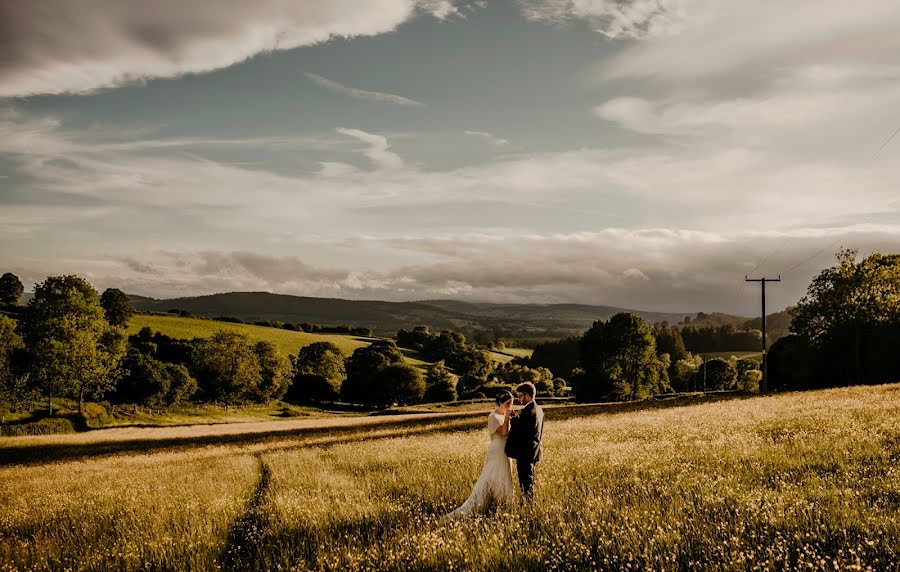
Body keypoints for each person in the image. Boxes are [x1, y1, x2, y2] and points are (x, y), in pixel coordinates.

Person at [446, 391, 515, 519]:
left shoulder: (506, 415)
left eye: (512, 403)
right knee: (491, 476)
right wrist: (507, 416)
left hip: (506, 451)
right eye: (507, 403)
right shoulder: (493, 417)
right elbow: (503, 432)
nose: (510, 405)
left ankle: (503, 505)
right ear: (500, 403)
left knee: (505, 476)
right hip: (497, 450)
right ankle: (482, 502)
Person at [504, 382, 544, 502]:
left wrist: (511, 419)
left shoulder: (529, 411)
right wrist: (516, 417)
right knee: (529, 479)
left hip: (525, 452)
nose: (518, 399)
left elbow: (521, 430)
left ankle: (528, 504)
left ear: (527, 395)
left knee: (526, 481)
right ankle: (528, 502)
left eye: (520, 396)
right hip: (533, 450)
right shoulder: (538, 409)